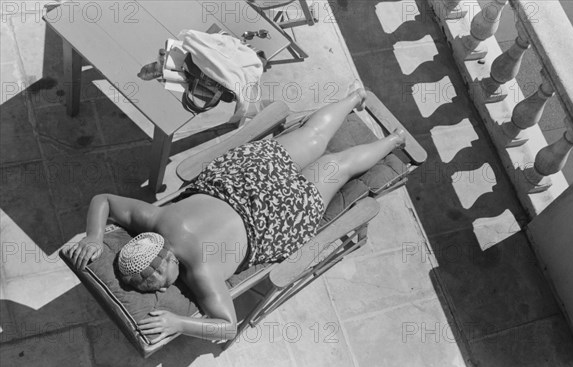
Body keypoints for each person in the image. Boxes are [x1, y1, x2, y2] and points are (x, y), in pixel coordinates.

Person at [62, 88, 405, 344]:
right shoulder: (153, 220)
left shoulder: (203, 272)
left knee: (337, 166)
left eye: (156, 283)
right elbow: (103, 199)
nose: (163, 286)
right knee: (315, 141)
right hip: (245, 183)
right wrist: (93, 235)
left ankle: (392, 140)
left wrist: (180, 324)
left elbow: (227, 326)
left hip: (275, 213)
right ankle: (356, 99)